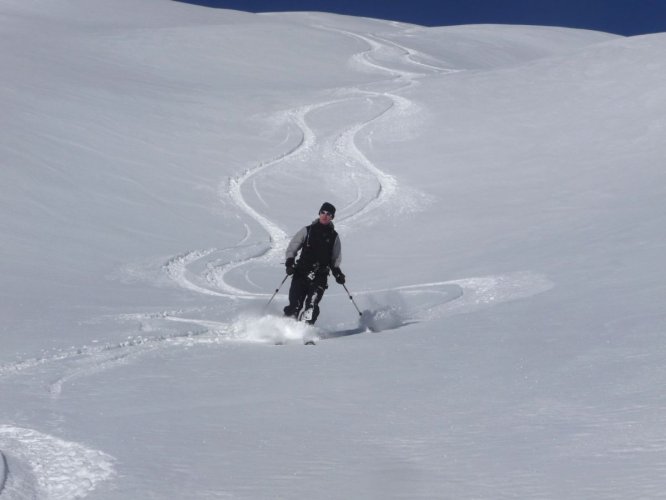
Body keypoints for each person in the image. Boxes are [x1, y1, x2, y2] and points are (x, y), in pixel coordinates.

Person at [283, 202, 346, 324]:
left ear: (332, 217)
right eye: (323, 212)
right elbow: (293, 246)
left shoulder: (334, 236)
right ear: (319, 213)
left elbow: (335, 258)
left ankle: (305, 330)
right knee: (294, 305)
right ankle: (285, 330)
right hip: (301, 273)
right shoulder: (308, 230)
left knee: (311, 305)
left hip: (319, 276)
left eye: (329, 214)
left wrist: (338, 273)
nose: (325, 216)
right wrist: (289, 263)